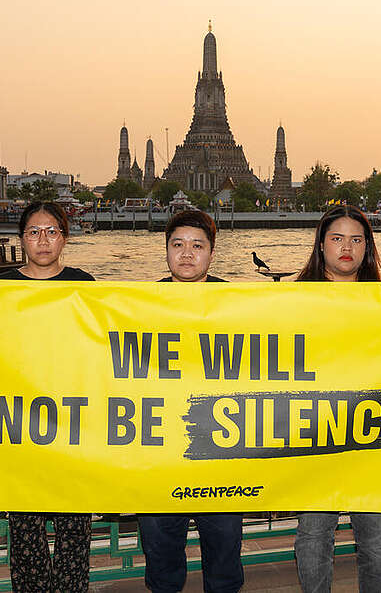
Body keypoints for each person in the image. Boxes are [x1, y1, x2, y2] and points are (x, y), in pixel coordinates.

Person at [138, 209, 244, 593]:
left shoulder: (238, 305)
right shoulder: (138, 305)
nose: (186, 254)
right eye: (177, 245)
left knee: (224, 562)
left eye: (197, 246)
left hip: (222, 451)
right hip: (160, 450)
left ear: (211, 253)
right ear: (165, 251)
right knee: (162, 562)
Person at [293, 205, 381, 593]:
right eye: (337, 238)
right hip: (313, 433)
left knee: (378, 543)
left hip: (374, 435)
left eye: (357, 239)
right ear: (321, 245)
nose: (347, 247)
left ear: (367, 248)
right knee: (314, 538)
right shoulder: (291, 302)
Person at [0, 201, 95, 592]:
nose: (43, 240)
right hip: (18, 420)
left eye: (51, 231)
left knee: (74, 528)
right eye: (34, 232)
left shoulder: (82, 284)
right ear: (21, 239)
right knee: (26, 531)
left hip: (72, 419)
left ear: (64, 238)